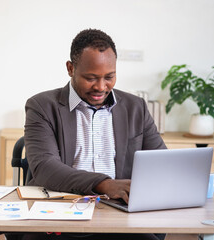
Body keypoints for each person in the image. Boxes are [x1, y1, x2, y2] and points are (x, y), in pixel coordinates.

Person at [22, 29, 167, 240]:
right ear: (70, 68)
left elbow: (161, 162)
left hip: (119, 216)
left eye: (109, 77)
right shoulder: (42, 106)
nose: (101, 87)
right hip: (60, 213)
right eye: (90, 78)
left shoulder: (136, 107)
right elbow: (45, 168)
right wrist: (103, 184)